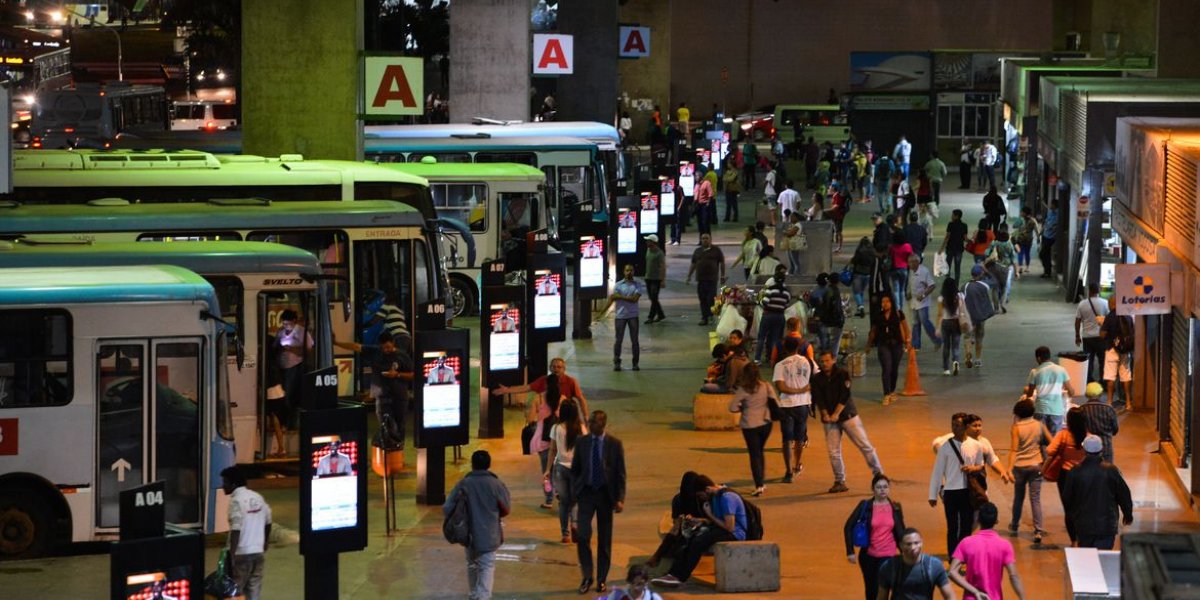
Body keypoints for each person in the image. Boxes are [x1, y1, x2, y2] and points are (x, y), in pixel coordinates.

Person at [571, 410, 627, 595]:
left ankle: (602, 579)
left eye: (592, 423)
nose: (589, 425)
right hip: (586, 493)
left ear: (602, 425)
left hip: (605, 495)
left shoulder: (614, 445)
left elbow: (620, 474)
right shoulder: (582, 442)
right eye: (589, 422)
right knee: (582, 535)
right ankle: (587, 576)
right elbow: (575, 469)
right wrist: (576, 490)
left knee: (604, 539)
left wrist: (620, 498)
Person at [652, 483, 747, 588]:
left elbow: (730, 527)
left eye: (701, 495)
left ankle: (680, 577)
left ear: (707, 489)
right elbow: (717, 521)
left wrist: (709, 514)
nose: (701, 498)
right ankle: (673, 574)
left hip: (735, 533)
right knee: (689, 539)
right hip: (722, 529)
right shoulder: (715, 497)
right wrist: (700, 520)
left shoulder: (727, 498)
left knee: (698, 542)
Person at [813, 349, 883, 493]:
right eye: (822, 361)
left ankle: (879, 475)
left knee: (865, 446)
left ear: (833, 360)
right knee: (833, 452)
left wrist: (836, 414)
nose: (824, 364)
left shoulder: (842, 374)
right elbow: (819, 398)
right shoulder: (817, 378)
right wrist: (825, 414)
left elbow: (844, 395)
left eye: (827, 360)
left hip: (848, 416)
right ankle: (839, 481)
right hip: (830, 420)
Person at [445, 450, 512, 600]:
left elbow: (448, 507)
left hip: (469, 535)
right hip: (490, 535)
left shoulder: (464, 484)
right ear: (489, 464)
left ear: (472, 464)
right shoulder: (497, 484)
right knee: (487, 566)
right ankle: (483, 596)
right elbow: (506, 509)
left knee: (472, 564)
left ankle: (474, 593)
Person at [334, 332, 413, 450]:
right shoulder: (375, 352)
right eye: (384, 348)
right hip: (381, 396)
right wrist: (336, 343)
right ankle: (386, 451)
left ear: (393, 343)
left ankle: (398, 451)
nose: (386, 350)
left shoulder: (402, 356)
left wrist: (397, 374)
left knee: (399, 424)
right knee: (385, 424)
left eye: (389, 347)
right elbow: (356, 346)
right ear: (380, 345)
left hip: (399, 396)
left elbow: (412, 374)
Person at [1062, 434, 1134, 550]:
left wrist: (1075, 518)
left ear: (1084, 450)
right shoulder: (1111, 470)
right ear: (1101, 449)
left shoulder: (1075, 471)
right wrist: (1128, 514)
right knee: (1103, 557)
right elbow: (1123, 494)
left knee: (1088, 557)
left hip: (1084, 526)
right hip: (1106, 526)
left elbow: (1067, 498)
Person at [929, 413, 984, 556]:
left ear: (966, 427)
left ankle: (962, 554)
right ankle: (953, 556)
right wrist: (932, 495)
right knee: (952, 527)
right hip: (950, 492)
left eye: (957, 425)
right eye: (953, 425)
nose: (954, 428)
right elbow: (938, 471)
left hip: (968, 492)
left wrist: (973, 468)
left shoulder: (976, 446)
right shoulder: (945, 447)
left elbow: (981, 465)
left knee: (966, 527)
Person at [844, 474, 906, 600]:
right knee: (871, 590)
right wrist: (850, 551)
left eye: (885, 487)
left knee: (883, 588)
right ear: (873, 489)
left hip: (888, 555)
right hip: (868, 556)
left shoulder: (895, 508)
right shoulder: (865, 506)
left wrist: (906, 552)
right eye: (879, 487)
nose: (882, 490)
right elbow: (848, 526)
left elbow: (901, 532)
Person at [948, 502, 1028, 600]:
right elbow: (1013, 576)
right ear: (996, 521)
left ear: (978, 519)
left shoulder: (966, 543)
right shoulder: (1005, 545)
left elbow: (952, 572)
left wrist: (975, 591)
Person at [222, 466, 272, 600]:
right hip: (258, 553)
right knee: (253, 591)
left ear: (233, 484)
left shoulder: (235, 501)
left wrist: (231, 555)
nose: (223, 486)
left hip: (241, 554)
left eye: (225, 482)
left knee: (235, 592)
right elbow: (268, 520)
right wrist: (265, 542)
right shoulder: (258, 497)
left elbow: (236, 528)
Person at [1007, 399, 1052, 544]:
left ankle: (1015, 525)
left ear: (1018, 413)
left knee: (1018, 497)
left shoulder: (1016, 428)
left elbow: (1014, 450)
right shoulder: (1039, 425)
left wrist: (1009, 468)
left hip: (1020, 466)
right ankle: (1038, 530)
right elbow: (1051, 443)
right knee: (1035, 498)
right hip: (1037, 465)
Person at [648, 472, 714, 567]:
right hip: (688, 526)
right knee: (677, 532)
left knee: (683, 538)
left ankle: (659, 556)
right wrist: (684, 521)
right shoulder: (679, 499)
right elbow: (676, 521)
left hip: (705, 525)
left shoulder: (702, 497)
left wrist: (699, 520)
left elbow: (712, 519)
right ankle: (659, 555)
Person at [729, 361, 775, 496]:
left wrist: (742, 408)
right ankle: (762, 480)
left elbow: (732, 407)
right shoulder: (766, 386)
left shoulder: (743, 390)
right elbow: (775, 401)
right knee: (760, 451)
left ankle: (759, 484)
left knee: (754, 454)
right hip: (766, 423)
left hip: (750, 425)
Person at [774, 337, 816, 483]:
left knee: (786, 440)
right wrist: (803, 390)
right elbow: (817, 376)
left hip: (786, 405)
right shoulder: (808, 361)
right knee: (799, 438)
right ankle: (797, 465)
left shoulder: (780, 365)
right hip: (803, 405)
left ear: (784, 347)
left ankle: (788, 471)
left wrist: (794, 390)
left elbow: (780, 386)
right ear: (798, 347)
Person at [545, 398, 587, 543]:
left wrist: (547, 469)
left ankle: (565, 534)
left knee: (563, 502)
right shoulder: (581, 428)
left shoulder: (556, 428)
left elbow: (552, 450)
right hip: (577, 468)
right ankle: (575, 524)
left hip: (560, 468)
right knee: (575, 500)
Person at [1046, 407, 1089, 543]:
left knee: (1069, 509)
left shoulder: (1063, 435)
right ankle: (1083, 538)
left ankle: (1073, 541)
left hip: (1065, 475)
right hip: (1084, 475)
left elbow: (1050, 451)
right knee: (1082, 507)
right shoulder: (1089, 436)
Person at [876, 529, 954, 600]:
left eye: (916, 543)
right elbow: (882, 597)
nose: (913, 547)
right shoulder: (889, 567)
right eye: (908, 544)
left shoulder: (934, 565)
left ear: (922, 543)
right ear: (900, 545)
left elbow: (950, 596)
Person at [867, 294, 909, 406]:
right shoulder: (878, 316)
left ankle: (891, 391)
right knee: (886, 367)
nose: (884, 304)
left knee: (894, 369)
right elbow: (873, 331)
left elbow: (906, 328)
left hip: (897, 345)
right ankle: (886, 394)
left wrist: (908, 341)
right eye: (882, 302)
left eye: (887, 301)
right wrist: (868, 345)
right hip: (883, 345)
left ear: (892, 302)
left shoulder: (898, 314)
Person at [273, 309, 314, 424]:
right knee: (281, 394)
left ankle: (290, 421)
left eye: (288, 323)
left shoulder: (301, 332)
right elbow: (275, 345)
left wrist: (290, 349)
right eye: (283, 323)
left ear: (294, 321)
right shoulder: (281, 332)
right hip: (281, 367)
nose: (285, 326)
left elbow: (308, 350)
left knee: (290, 395)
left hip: (295, 367)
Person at [1025, 345, 1075, 434]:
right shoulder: (1061, 370)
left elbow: (1030, 393)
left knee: (1041, 437)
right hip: (1056, 410)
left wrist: (1027, 391)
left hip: (1040, 409)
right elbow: (1071, 392)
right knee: (1055, 438)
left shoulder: (1034, 372)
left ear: (1038, 358)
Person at [606, 264, 645, 371]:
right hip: (620, 316)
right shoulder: (618, 285)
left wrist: (620, 296)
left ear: (634, 272)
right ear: (624, 272)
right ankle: (617, 363)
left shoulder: (638, 284)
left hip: (633, 316)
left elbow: (635, 299)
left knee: (635, 341)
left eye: (631, 270)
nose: (629, 272)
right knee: (618, 341)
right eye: (627, 270)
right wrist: (602, 312)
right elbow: (612, 299)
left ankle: (635, 364)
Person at [1099, 295, 1134, 407]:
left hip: (1112, 349)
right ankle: (1128, 402)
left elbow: (1102, 334)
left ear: (1112, 304)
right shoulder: (1128, 316)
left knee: (1110, 376)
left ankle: (1109, 402)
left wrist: (1101, 325)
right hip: (1125, 350)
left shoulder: (1110, 316)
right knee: (1126, 375)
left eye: (1109, 304)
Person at [686, 233, 726, 326]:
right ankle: (704, 318)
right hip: (700, 279)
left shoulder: (716, 250)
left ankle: (711, 315)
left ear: (710, 239)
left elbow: (722, 262)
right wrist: (689, 276)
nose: (705, 240)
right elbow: (693, 264)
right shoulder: (697, 251)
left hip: (712, 279)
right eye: (703, 238)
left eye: (707, 238)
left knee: (711, 298)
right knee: (702, 299)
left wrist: (723, 275)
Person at [756, 265, 791, 365]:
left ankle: (757, 359)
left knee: (762, 337)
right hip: (780, 317)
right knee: (775, 339)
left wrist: (759, 302)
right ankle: (772, 359)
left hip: (768, 315)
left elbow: (764, 303)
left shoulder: (770, 290)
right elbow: (786, 305)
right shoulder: (787, 293)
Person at [962, 264, 995, 369]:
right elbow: (995, 281)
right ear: (981, 274)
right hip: (981, 316)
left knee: (968, 336)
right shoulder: (984, 285)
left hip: (969, 316)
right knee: (979, 337)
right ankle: (978, 360)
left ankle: (968, 354)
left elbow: (960, 299)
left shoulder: (965, 286)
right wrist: (987, 271)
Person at [1075, 283, 1109, 384]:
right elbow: (1109, 320)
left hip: (1087, 337)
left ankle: (1088, 380)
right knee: (1103, 360)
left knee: (1088, 360)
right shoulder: (1105, 303)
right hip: (1101, 337)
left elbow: (1077, 321)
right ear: (1099, 290)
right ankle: (1103, 381)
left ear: (1089, 291)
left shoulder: (1082, 304)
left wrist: (1077, 336)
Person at [908, 254, 941, 351]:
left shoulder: (924, 271)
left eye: (910, 262)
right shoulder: (911, 271)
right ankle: (915, 345)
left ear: (916, 262)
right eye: (908, 262)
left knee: (925, 322)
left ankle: (937, 340)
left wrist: (923, 295)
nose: (909, 264)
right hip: (914, 302)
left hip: (923, 303)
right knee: (915, 323)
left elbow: (932, 285)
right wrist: (909, 293)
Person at [1080, 382, 1119, 463]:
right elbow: (1115, 429)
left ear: (1086, 395)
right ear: (1101, 394)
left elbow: (1079, 429)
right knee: (1107, 469)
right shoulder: (1108, 408)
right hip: (1106, 446)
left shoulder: (1081, 409)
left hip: (1088, 448)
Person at [936, 278, 965, 376]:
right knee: (956, 346)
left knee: (946, 346)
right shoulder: (960, 296)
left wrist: (937, 328)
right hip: (956, 322)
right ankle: (955, 361)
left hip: (945, 323)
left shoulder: (941, 298)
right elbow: (962, 310)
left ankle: (946, 369)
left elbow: (940, 314)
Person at [985, 225, 1017, 312]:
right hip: (1005, 268)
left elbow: (986, 253)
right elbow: (1013, 259)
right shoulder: (1009, 245)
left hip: (994, 266)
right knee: (1003, 287)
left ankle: (996, 308)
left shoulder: (994, 243)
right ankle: (1002, 303)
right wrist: (1016, 271)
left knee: (995, 288)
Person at [941, 209, 970, 283]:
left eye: (952, 215)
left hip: (950, 248)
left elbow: (947, 237)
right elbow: (965, 238)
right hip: (959, 249)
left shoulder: (950, 224)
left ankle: (947, 283)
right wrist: (971, 241)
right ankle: (956, 285)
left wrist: (942, 248)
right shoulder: (964, 225)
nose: (951, 216)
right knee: (957, 267)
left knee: (948, 266)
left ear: (956, 216)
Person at [888, 233, 914, 311]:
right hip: (904, 268)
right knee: (902, 289)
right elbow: (911, 256)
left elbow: (889, 256)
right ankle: (902, 306)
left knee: (896, 289)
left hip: (894, 269)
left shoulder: (892, 247)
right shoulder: (907, 246)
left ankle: (897, 307)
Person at [851, 237, 876, 317]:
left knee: (856, 291)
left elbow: (854, 260)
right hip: (868, 274)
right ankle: (859, 308)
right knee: (861, 291)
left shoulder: (859, 251)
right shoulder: (872, 252)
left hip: (858, 273)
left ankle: (860, 306)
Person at [1012, 207, 1039, 276]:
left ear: (1024, 213)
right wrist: (1038, 238)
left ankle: (1020, 267)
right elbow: (1036, 230)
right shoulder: (1033, 220)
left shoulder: (1021, 220)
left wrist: (1019, 219)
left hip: (1021, 238)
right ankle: (1027, 267)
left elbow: (1014, 226)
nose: (1020, 213)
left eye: (1022, 212)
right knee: (1027, 253)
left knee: (1020, 253)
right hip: (1029, 239)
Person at [693, 166, 714, 238]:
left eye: (697, 176)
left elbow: (710, 194)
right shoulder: (696, 185)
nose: (695, 177)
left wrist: (708, 204)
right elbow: (695, 196)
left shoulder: (707, 183)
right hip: (698, 205)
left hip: (705, 205)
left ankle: (708, 239)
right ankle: (701, 239)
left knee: (705, 223)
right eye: (695, 176)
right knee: (700, 223)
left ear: (701, 176)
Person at [1039, 203, 1059, 278]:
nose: (1050, 206)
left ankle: (1047, 271)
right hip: (1045, 235)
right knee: (1045, 254)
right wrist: (1042, 231)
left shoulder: (1058, 214)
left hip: (1051, 237)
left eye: (1052, 204)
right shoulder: (1050, 212)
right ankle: (1047, 271)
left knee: (1043, 254)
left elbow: (1054, 225)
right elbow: (1046, 222)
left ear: (1055, 205)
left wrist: (1050, 227)